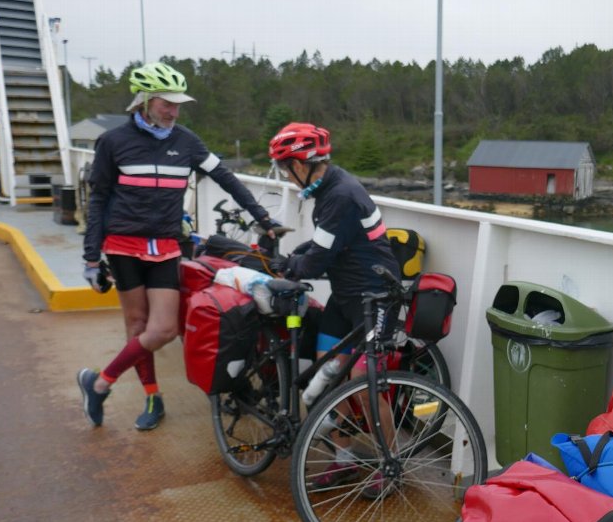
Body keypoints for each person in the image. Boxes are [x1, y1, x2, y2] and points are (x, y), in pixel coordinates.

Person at [77, 62, 279, 431]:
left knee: (164, 329)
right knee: (137, 326)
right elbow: (99, 199)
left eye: (178, 104)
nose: (174, 111)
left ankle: (99, 382)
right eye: (166, 103)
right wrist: (91, 257)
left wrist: (264, 219)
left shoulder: (186, 141)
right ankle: (153, 397)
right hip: (122, 246)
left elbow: (227, 179)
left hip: (167, 247)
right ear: (144, 101)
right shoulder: (113, 142)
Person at [267, 122, 401, 495]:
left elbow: (314, 264)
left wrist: (288, 265)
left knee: (363, 385)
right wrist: (296, 253)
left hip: (374, 296)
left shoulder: (340, 194)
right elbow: (324, 241)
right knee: (327, 375)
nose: (286, 176)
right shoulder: (328, 188)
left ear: (303, 163)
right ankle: (343, 460)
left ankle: (391, 465)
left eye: (285, 167)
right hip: (345, 295)